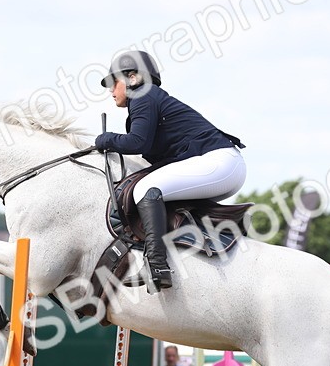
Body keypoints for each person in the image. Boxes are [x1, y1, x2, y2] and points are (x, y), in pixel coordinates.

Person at [94, 50, 246, 290]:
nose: (110, 90)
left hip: (219, 162)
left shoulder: (143, 95)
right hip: (221, 165)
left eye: (114, 82)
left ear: (133, 78)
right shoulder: (149, 99)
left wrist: (106, 140)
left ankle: (157, 264)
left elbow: (136, 143)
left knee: (146, 189)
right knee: (156, 189)